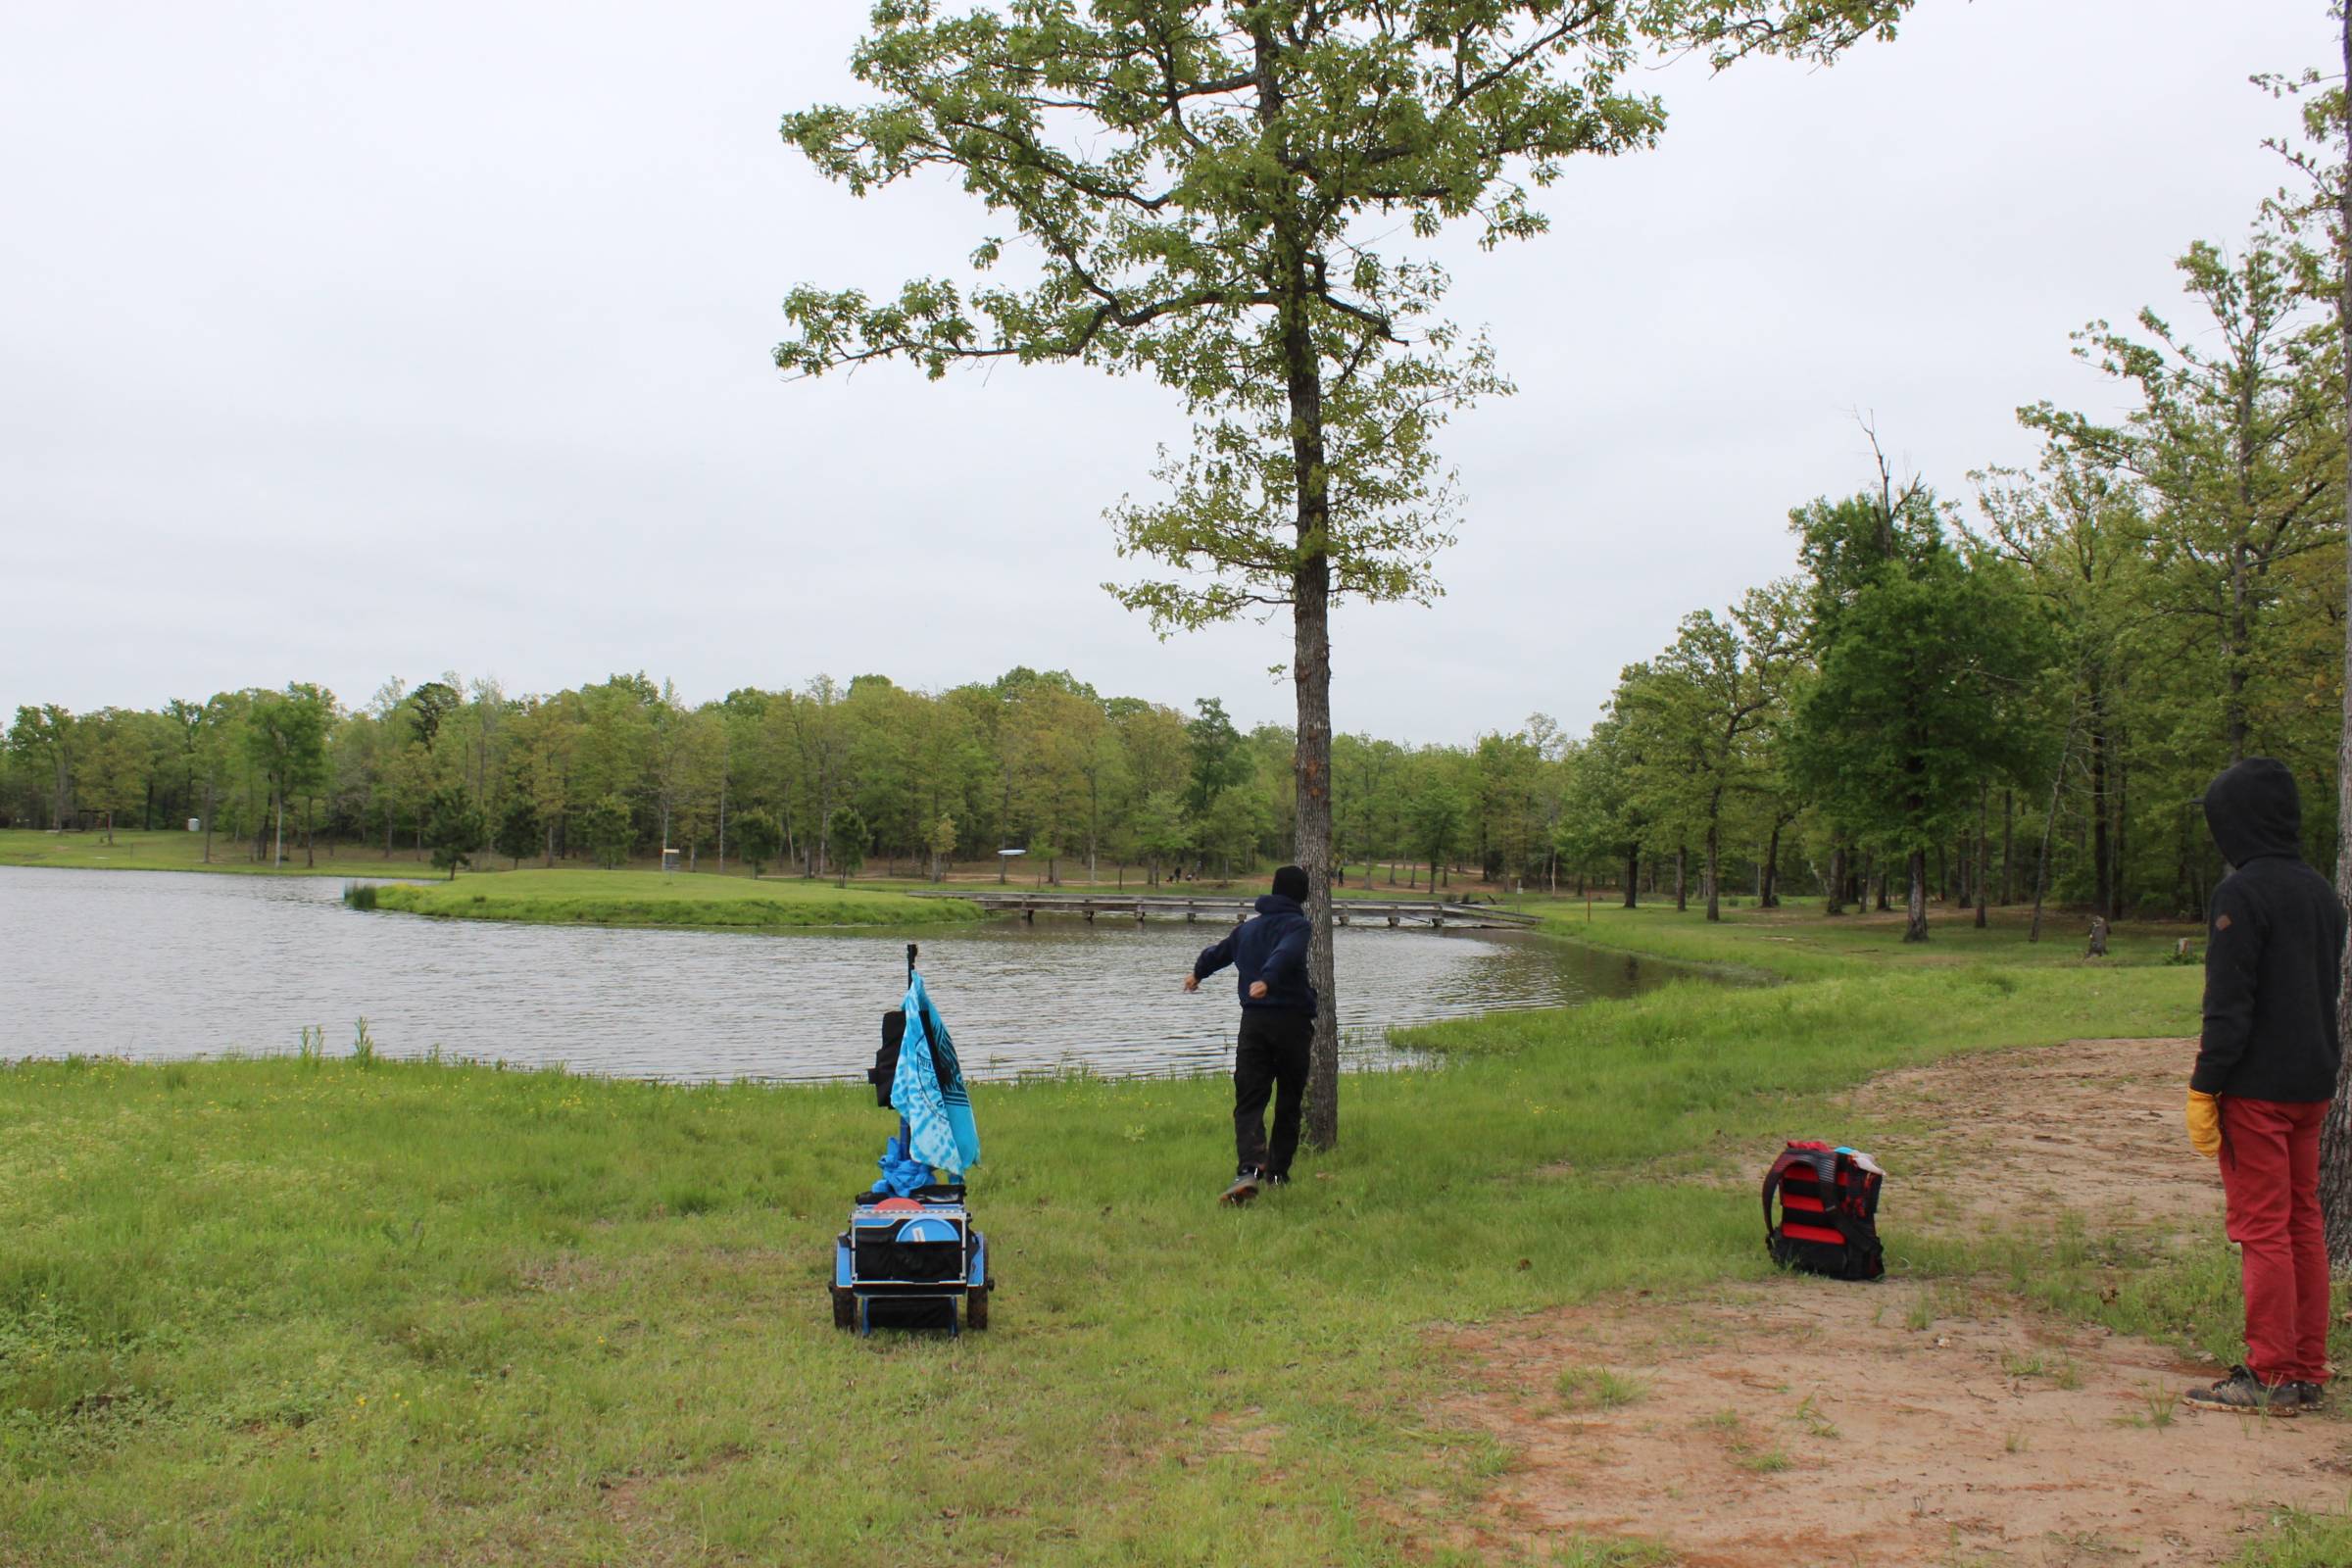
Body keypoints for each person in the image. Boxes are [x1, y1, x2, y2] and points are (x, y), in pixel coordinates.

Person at [2181, 758, 2346, 1416]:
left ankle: (2271, 1373)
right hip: (2314, 1086)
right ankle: (2306, 1370)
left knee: (2264, 1228)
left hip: (2257, 1089)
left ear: (2237, 822)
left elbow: (2230, 1004)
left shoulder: (2241, 895)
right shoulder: (2322, 894)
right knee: (2303, 1221)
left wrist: (2205, 1084)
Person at [1184, 863, 1316, 1205]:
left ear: (1273, 891)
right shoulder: (1298, 925)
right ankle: (1276, 1174)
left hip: (1254, 1024)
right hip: (1292, 1023)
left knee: (1250, 1099)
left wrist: (1198, 972)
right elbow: (1286, 953)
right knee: (1289, 1100)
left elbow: (1220, 953)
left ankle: (1250, 1169)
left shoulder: (1247, 930)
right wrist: (1268, 979)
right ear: (1302, 895)